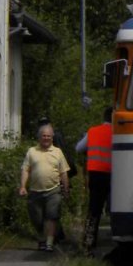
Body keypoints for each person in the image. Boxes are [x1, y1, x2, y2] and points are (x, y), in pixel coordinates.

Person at [19, 123, 70, 252]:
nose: (46, 138)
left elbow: (63, 172)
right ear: (39, 137)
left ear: (52, 137)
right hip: (35, 191)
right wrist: (23, 186)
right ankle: (42, 238)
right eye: (44, 136)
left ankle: (49, 243)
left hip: (53, 190)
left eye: (49, 136)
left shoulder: (58, 152)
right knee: (37, 218)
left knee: (52, 216)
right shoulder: (32, 151)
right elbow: (25, 170)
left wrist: (66, 189)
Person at [75, 107, 113, 252]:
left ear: (104, 117)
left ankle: (88, 241)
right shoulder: (118, 133)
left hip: (95, 174)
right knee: (115, 208)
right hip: (114, 175)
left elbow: (78, 148)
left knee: (94, 209)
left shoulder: (92, 131)